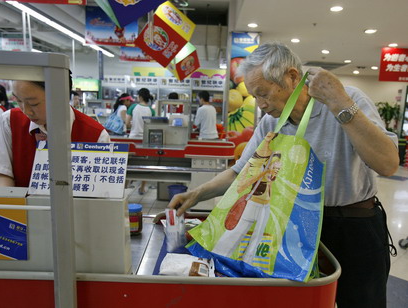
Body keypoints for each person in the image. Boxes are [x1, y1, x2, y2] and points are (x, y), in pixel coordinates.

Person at [169, 42, 399, 308]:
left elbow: (387, 164)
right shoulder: (271, 122)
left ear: (291, 77)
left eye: (264, 93)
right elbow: (240, 173)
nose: (261, 104)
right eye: (255, 96)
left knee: (362, 302)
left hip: (353, 226)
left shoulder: (348, 99)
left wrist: (339, 103)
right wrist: (194, 195)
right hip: (296, 230)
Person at [0, 76, 110, 187]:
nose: (26, 111)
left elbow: (100, 190)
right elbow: (2, 173)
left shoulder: (96, 135)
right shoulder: (10, 121)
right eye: (18, 100)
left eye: (33, 103)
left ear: (60, 97)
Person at [212, 132, 281, 265]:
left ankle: (248, 269)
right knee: (232, 236)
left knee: (256, 243)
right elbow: (240, 186)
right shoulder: (254, 164)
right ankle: (216, 263)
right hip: (252, 204)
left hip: (266, 206)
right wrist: (263, 173)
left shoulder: (275, 165)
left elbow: (271, 187)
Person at [126, 88, 155, 194]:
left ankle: (125, 186)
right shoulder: (151, 110)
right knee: (144, 164)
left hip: (133, 138)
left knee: (129, 163)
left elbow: (127, 123)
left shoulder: (133, 107)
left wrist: (133, 125)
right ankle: (142, 188)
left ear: (140, 97)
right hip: (145, 140)